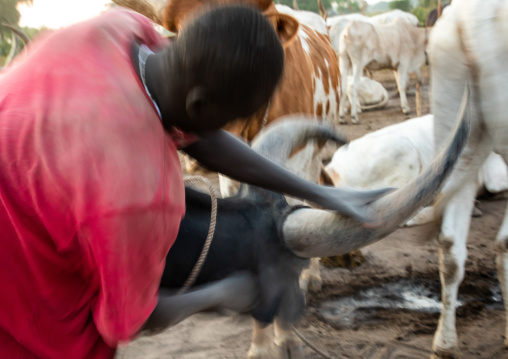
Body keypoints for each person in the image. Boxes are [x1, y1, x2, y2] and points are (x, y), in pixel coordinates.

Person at [0, 5, 391, 358]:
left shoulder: (121, 30)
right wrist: (228, 293)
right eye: (230, 120)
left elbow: (197, 129)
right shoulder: (136, 195)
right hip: (23, 314)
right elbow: (131, 318)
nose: (228, 131)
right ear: (201, 107)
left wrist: (318, 191)